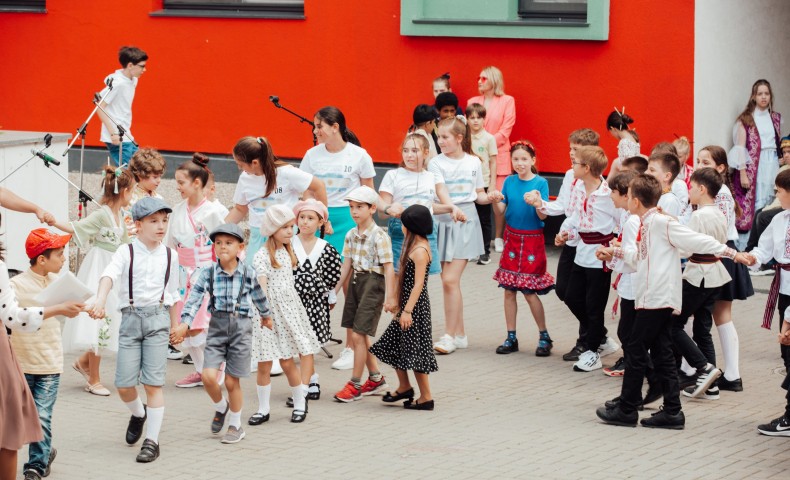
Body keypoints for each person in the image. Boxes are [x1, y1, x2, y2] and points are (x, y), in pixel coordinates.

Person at [594, 174, 750, 429]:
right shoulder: (648, 222)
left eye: (629, 195)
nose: (627, 199)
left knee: (635, 347)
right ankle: (672, 411)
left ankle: (627, 408)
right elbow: (640, 257)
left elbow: (696, 240)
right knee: (662, 351)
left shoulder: (660, 222)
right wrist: (615, 252)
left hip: (658, 297)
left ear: (635, 200)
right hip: (655, 296)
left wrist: (733, 254)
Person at [87, 197, 181, 463]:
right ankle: (140, 414)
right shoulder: (125, 251)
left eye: (164, 220)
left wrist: (176, 325)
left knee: (153, 383)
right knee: (124, 385)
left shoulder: (171, 255)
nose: (161, 226)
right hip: (130, 319)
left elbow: (172, 293)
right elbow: (108, 275)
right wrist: (100, 300)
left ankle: (152, 442)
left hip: (158, 320)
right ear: (138, 225)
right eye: (154, 221)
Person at [0, 215, 84, 480]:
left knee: (42, 416)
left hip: (50, 362)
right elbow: (11, 316)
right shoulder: (15, 284)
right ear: (41, 259)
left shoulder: (62, 283)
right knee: (22, 418)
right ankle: (44, 452)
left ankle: (36, 464)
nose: (64, 259)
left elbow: (80, 304)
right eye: (59, 254)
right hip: (22, 361)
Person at [175, 223, 272, 443]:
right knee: (209, 377)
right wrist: (185, 323)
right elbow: (194, 300)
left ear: (240, 247)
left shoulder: (248, 272)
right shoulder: (208, 273)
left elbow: (259, 296)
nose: (222, 247)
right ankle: (221, 406)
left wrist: (266, 316)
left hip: (241, 330)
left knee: (231, 381)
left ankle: (235, 425)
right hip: (217, 328)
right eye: (218, 243)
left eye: (228, 243)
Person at [528, 146, 618, 372]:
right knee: (570, 295)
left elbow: (621, 219)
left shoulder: (607, 194)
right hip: (581, 251)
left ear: (586, 168)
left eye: (575, 163)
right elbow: (576, 215)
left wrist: (616, 246)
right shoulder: (578, 187)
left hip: (600, 255)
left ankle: (592, 351)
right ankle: (599, 336)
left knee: (594, 306)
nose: (571, 165)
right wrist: (566, 233)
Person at [300, 107, 376, 370]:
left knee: (349, 286)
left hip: (349, 219)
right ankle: (308, 339)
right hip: (319, 220)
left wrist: (366, 226)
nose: (315, 131)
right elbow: (306, 191)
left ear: (335, 127)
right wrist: (316, 215)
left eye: (319, 126)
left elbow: (369, 193)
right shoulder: (312, 155)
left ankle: (351, 347)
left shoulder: (359, 155)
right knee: (311, 279)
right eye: (315, 126)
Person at [55, 166, 135, 396]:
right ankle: (94, 379)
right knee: (97, 321)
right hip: (99, 268)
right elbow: (77, 227)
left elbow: (126, 245)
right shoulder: (102, 214)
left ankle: (84, 363)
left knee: (109, 318)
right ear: (125, 191)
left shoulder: (120, 216)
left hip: (113, 269)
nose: (132, 195)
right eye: (132, 191)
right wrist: (53, 221)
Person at [429, 116, 494, 355]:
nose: (440, 141)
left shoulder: (474, 162)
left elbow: (479, 194)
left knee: (449, 279)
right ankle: (460, 334)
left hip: (466, 221)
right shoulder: (435, 163)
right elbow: (441, 191)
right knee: (449, 282)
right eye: (438, 136)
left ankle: (449, 336)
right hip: (444, 221)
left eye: (445, 137)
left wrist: (491, 197)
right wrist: (451, 208)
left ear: (459, 138)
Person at [250, 206, 321, 422]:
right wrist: (265, 314)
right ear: (272, 229)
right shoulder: (262, 255)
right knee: (264, 364)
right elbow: (261, 288)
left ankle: (300, 403)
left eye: (291, 226)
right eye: (285, 227)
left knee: (287, 361)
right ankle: (263, 409)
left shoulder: (287, 251)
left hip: (289, 312)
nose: (291, 231)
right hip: (268, 315)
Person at [536, 129, 601, 360]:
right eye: (570, 148)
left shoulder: (597, 184)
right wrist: (540, 204)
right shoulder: (569, 175)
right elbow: (564, 206)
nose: (571, 153)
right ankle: (599, 333)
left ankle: (587, 340)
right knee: (564, 290)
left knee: (582, 294)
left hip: (587, 244)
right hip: (571, 239)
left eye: (576, 149)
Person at [167, 153, 229, 388]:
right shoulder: (177, 210)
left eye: (181, 182)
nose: (178, 187)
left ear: (196, 183)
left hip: (205, 271)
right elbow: (170, 245)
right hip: (182, 273)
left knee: (201, 323)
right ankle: (201, 369)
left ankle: (216, 366)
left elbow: (225, 245)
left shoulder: (213, 212)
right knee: (186, 325)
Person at [696, 146, 754, 392]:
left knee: (719, 315)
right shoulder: (713, 190)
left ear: (720, 168)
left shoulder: (720, 193)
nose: (699, 165)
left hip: (719, 254)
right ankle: (728, 374)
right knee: (715, 315)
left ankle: (729, 374)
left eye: (705, 162)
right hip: (718, 252)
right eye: (698, 161)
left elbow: (717, 230)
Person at [332, 186, 397, 402]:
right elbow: (346, 265)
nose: (354, 211)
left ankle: (355, 384)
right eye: (352, 207)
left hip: (373, 283)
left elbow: (388, 268)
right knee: (359, 333)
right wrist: (334, 291)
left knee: (358, 335)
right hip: (356, 282)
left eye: (359, 207)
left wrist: (390, 297)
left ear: (372, 208)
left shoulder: (380, 236)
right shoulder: (351, 234)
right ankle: (376, 379)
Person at [370, 205, 438, 410]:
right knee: (394, 345)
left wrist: (407, 311)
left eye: (403, 223)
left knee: (415, 352)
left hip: (415, 309)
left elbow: (418, 285)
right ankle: (405, 387)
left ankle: (426, 397)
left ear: (411, 226)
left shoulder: (420, 250)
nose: (401, 227)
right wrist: (395, 304)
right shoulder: (412, 245)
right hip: (407, 306)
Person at [490, 141, 554, 357]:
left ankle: (544, 336)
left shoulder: (541, 183)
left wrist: (537, 203)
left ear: (533, 160)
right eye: (515, 159)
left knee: (529, 291)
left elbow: (544, 215)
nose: (519, 163)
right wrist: (495, 199)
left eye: (524, 159)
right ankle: (511, 336)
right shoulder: (509, 181)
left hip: (533, 241)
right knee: (509, 290)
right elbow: (500, 211)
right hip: (512, 239)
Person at [673, 168, 730, 400]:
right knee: (702, 328)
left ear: (702, 189)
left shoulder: (699, 216)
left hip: (699, 274)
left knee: (672, 323)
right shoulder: (719, 213)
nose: (689, 191)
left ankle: (703, 368)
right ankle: (711, 385)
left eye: (692, 187)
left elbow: (688, 247)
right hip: (715, 273)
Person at [379, 133, 454, 277]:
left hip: (426, 231)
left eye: (414, 151)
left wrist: (451, 208)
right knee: (398, 277)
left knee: (422, 279)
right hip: (401, 230)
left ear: (426, 152)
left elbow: (428, 207)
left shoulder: (431, 177)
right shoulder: (393, 175)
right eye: (405, 150)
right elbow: (382, 213)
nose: (409, 155)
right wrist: (390, 209)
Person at [291, 199, 342, 402]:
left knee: (309, 343)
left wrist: (331, 293)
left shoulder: (325, 248)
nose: (305, 222)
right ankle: (310, 381)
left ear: (320, 222)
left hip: (315, 303)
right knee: (300, 343)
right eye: (302, 217)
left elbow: (333, 274)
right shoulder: (289, 244)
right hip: (293, 301)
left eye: (310, 218)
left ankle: (307, 384)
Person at [744, 169, 790, 375]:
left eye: (779, 191)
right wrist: (754, 258)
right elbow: (764, 248)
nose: (776, 195)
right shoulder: (779, 219)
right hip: (784, 287)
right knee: (786, 345)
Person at [730, 79, 783, 240]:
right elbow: (740, 148)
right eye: (760, 94)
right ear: (754, 96)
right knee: (756, 200)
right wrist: (743, 173)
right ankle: (752, 240)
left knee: (772, 199)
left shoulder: (775, 118)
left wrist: (779, 160)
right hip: (755, 166)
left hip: (772, 162)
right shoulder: (747, 119)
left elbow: (776, 142)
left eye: (766, 93)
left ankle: (768, 238)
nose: (763, 97)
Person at [601, 170, 640, 379]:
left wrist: (614, 251)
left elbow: (633, 255)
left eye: (613, 192)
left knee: (627, 330)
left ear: (627, 196)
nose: (611, 196)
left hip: (634, 282)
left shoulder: (633, 220)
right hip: (630, 280)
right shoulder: (628, 216)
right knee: (627, 329)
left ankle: (636, 364)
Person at [466, 66, 516, 209]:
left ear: (494, 80)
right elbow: (468, 128)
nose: (479, 81)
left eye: (484, 78)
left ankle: (499, 226)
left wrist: (487, 142)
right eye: (478, 78)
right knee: (477, 200)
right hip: (476, 157)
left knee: (499, 203)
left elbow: (506, 130)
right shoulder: (472, 101)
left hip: (499, 158)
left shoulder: (507, 101)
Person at [97, 46, 147, 166]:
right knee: (129, 170)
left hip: (126, 133)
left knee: (139, 166)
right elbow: (99, 107)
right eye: (142, 66)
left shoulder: (133, 80)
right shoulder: (117, 84)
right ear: (130, 65)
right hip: (117, 135)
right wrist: (112, 133)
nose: (144, 69)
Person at [467, 103, 499, 263]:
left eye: (479, 117)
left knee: (484, 219)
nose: (475, 121)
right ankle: (471, 250)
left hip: (484, 183)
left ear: (484, 119)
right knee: (469, 218)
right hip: (468, 184)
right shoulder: (464, 138)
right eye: (472, 117)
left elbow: (493, 162)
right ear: (466, 119)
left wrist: (492, 184)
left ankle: (485, 251)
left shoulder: (489, 138)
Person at [605, 108, 640, 181]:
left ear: (613, 128)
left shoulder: (624, 142)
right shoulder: (632, 137)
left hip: (628, 178)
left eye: (611, 132)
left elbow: (627, 165)